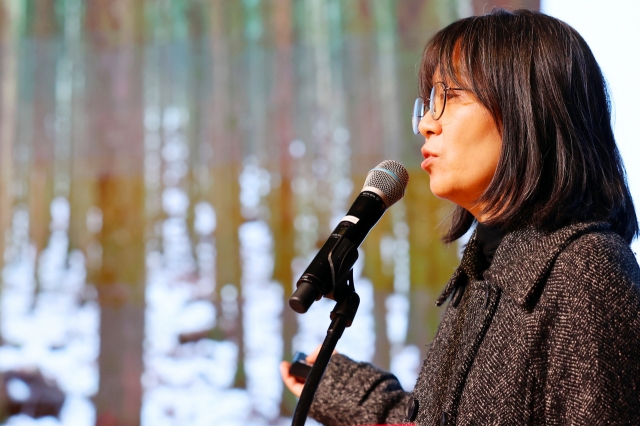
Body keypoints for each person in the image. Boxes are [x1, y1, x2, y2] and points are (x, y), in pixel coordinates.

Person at [280, 8, 640, 425]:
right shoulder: (484, 272)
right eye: (428, 103)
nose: (427, 125)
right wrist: (366, 401)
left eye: (448, 98)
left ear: (529, 107)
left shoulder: (587, 270)